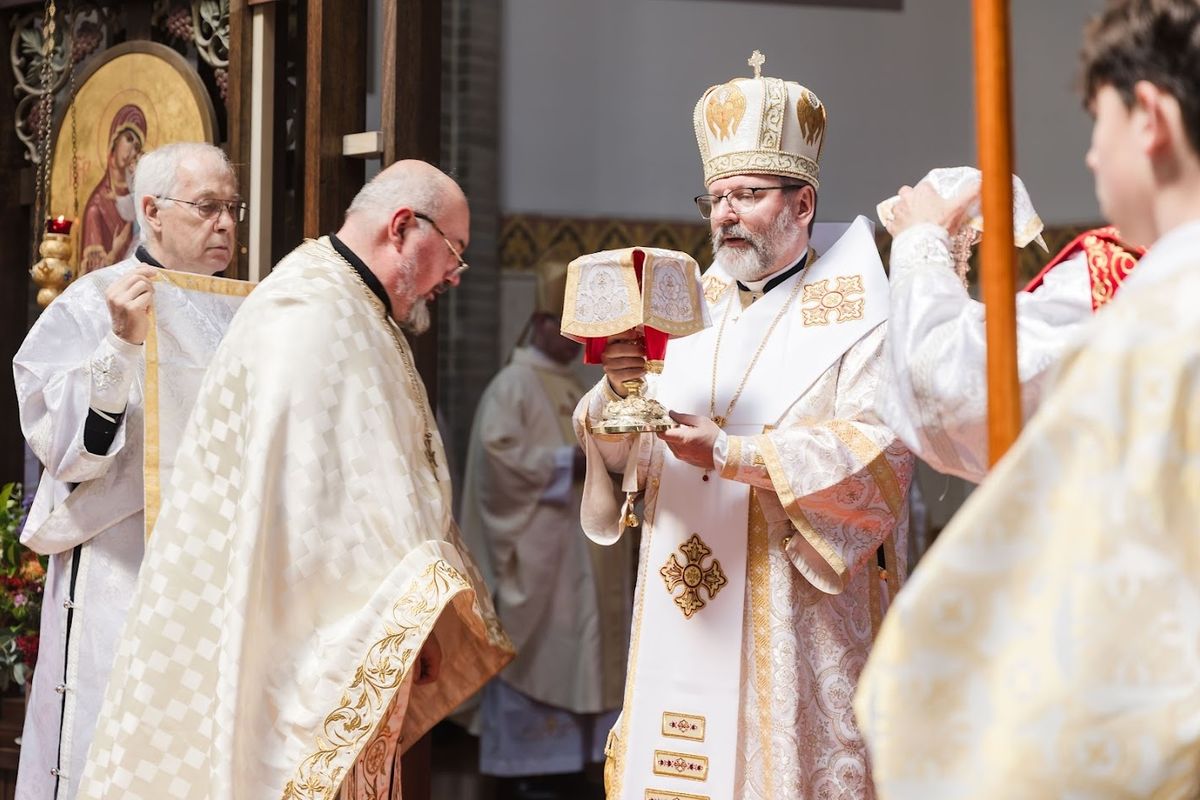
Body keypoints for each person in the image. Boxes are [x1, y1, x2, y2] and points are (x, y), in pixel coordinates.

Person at [76, 159, 513, 799]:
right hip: (302, 646)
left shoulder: (353, 307)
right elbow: (313, 511)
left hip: (350, 626)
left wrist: (411, 618)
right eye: (453, 252)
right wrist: (400, 618)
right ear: (401, 226)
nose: (453, 274)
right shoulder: (309, 310)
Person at [856, 2, 1200, 797]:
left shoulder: (1151, 301)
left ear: (1148, 116)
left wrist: (920, 242)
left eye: (1096, 124)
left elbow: (955, 395)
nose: (1088, 155)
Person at [574, 53, 913, 800]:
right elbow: (624, 453)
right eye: (717, 197)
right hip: (680, 600)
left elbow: (876, 453)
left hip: (788, 622)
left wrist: (733, 454)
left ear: (801, 205)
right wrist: (610, 401)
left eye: (749, 194)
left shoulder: (860, 317)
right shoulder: (684, 302)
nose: (725, 213)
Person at [13, 140, 240, 800]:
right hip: (121, 562)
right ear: (152, 211)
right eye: (207, 207)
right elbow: (64, 448)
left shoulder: (250, 313)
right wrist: (118, 344)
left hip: (210, 574)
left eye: (232, 207)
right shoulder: (92, 304)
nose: (226, 223)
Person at [460, 255, 631, 798]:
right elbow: (498, 463)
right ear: (539, 323)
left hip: (585, 553)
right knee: (549, 648)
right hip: (543, 556)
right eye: (566, 327)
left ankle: (585, 758)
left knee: (589, 649)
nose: (577, 341)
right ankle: (530, 764)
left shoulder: (575, 383)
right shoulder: (513, 385)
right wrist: (570, 464)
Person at [877, 179, 1143, 482]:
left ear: (1152, 130)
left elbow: (950, 390)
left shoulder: (1127, 271)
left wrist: (921, 237)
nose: (1093, 157)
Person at [80, 104, 147, 273]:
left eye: (137, 146)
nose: (133, 150)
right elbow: (93, 277)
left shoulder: (141, 196)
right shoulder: (96, 206)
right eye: (129, 139)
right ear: (114, 141)